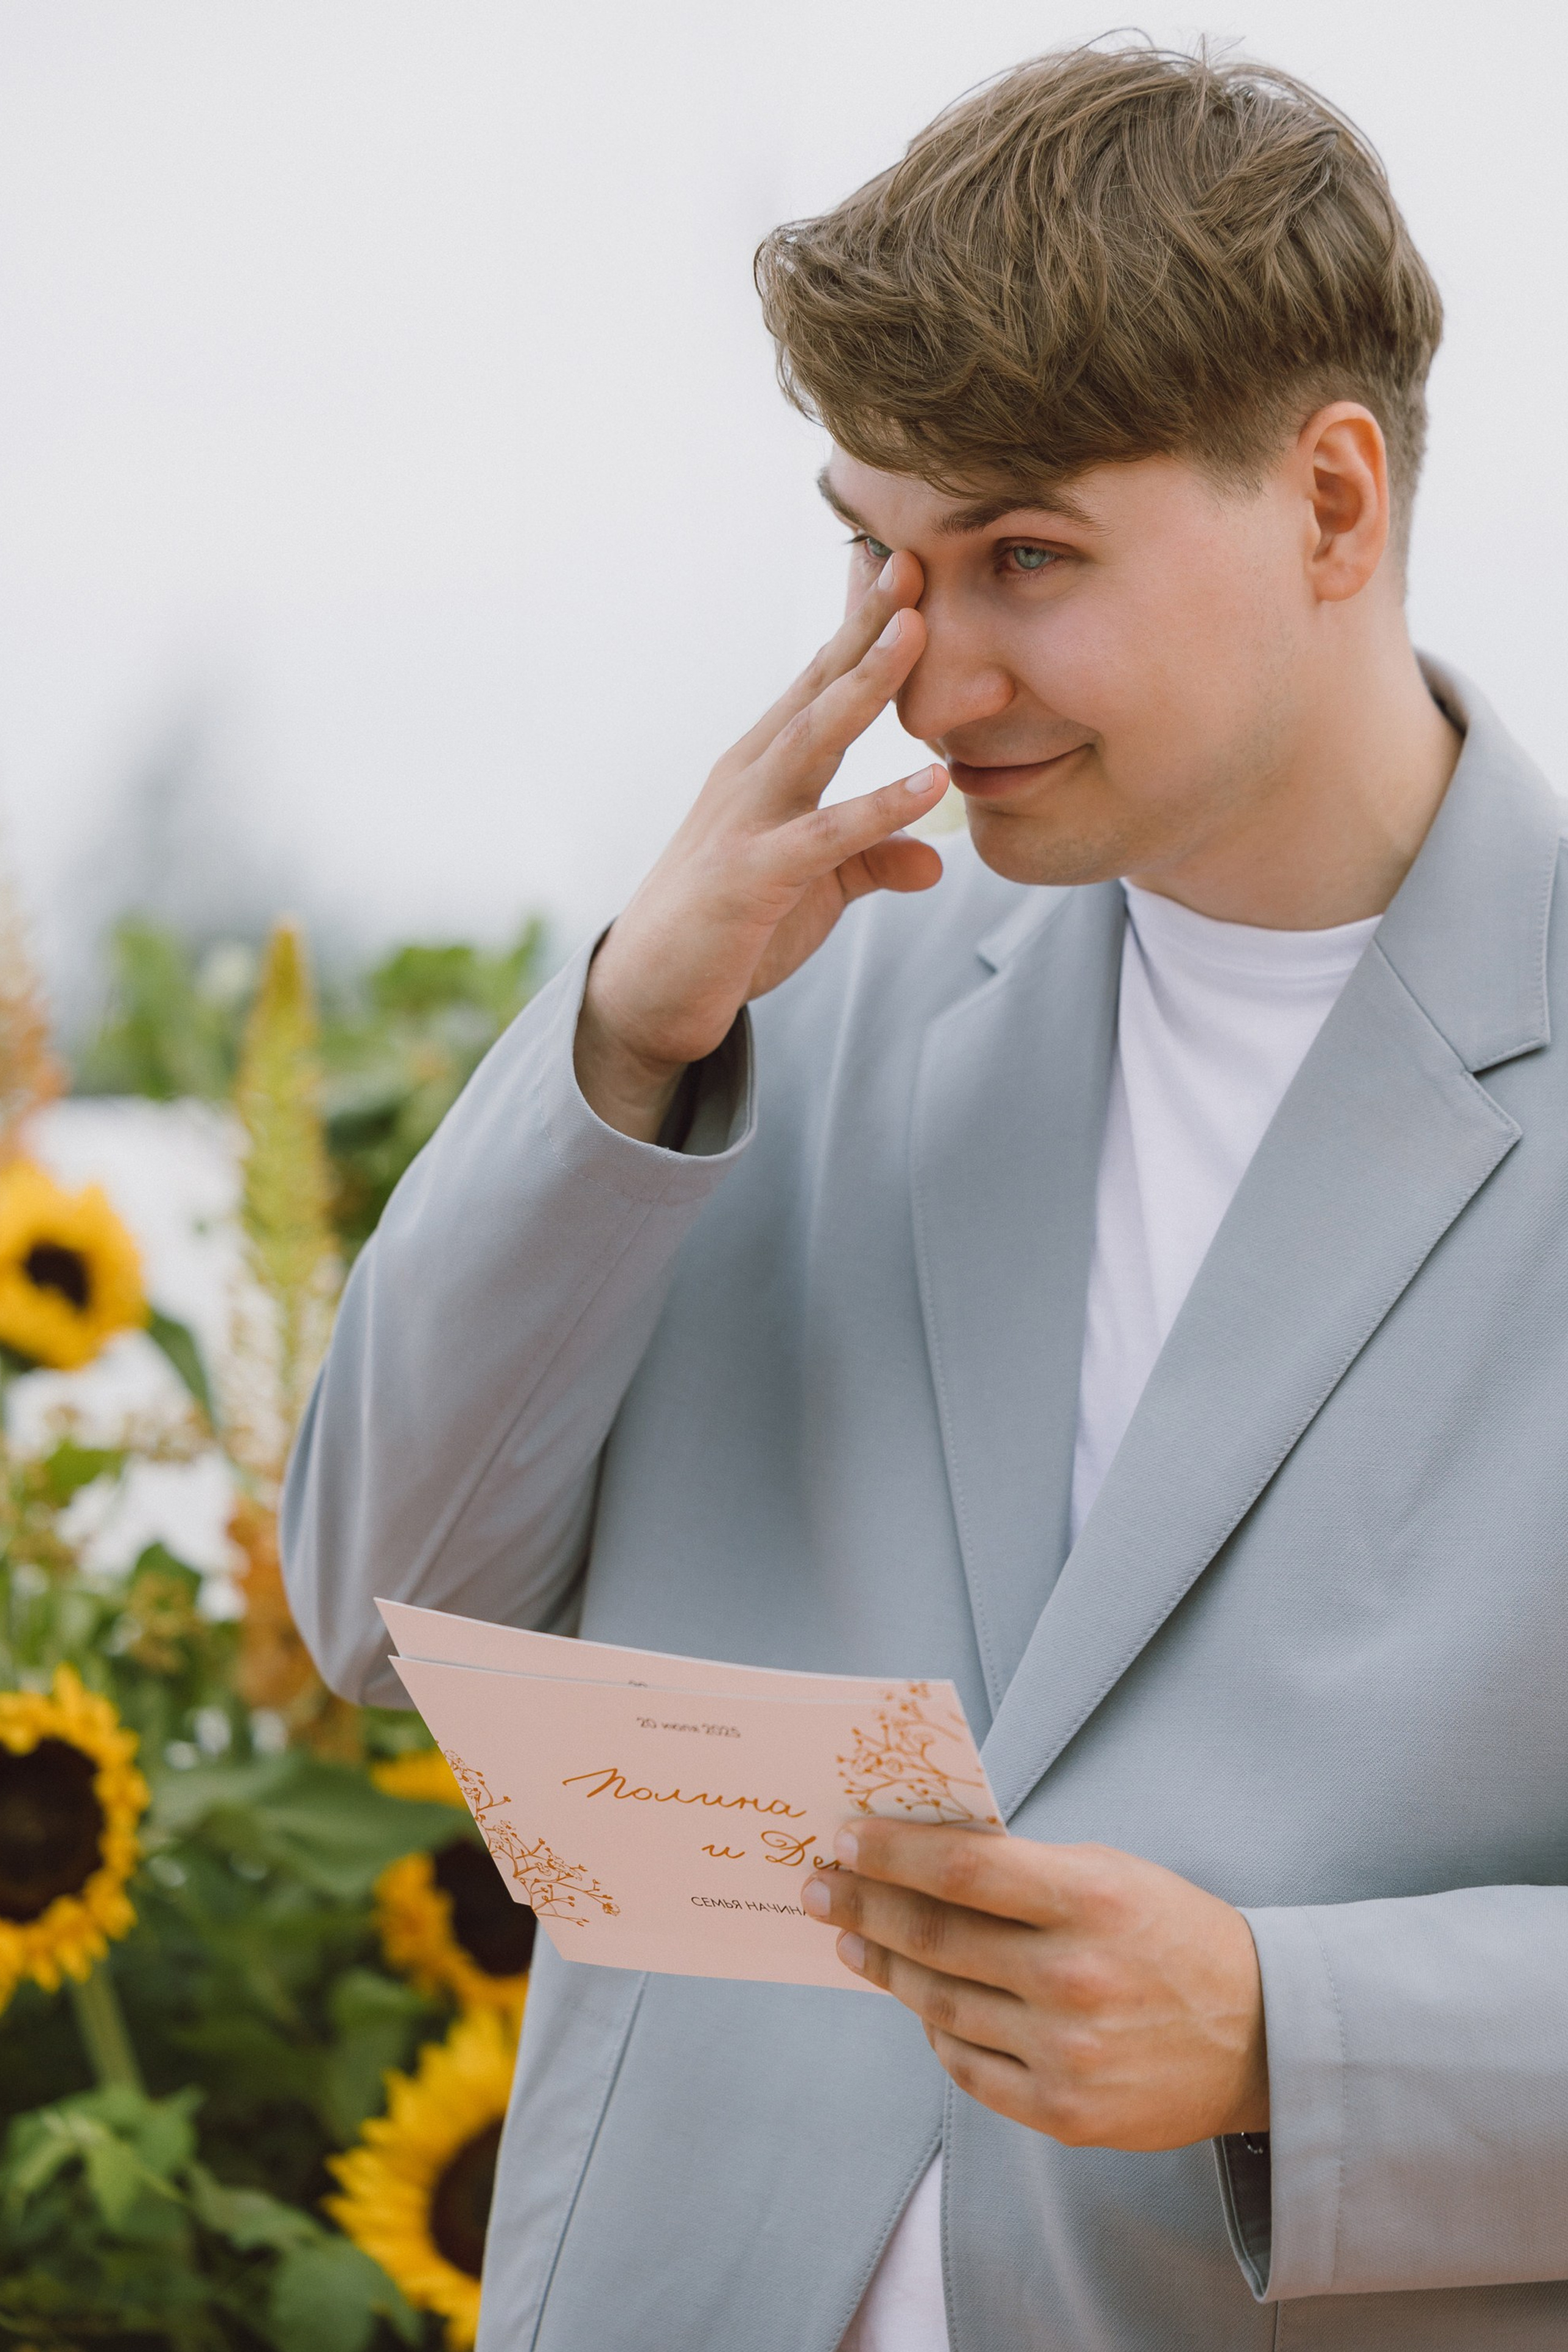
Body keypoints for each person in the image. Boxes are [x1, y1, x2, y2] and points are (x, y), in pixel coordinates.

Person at [281, 41, 1568, 2350]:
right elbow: (375, 1612)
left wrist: (1301, 2035)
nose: (930, 672)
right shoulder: (775, 1002)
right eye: (873, 550)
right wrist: (620, 1046)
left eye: (1027, 556)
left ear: (1334, 502)